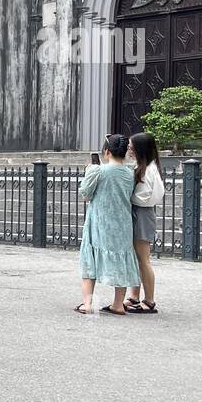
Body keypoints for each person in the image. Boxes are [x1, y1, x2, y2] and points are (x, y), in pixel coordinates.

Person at [76, 134, 142, 315]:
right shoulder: (130, 173)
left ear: (106, 152)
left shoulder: (98, 171)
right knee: (121, 258)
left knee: (91, 261)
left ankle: (87, 303)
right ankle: (118, 304)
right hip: (122, 223)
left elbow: (85, 195)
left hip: (100, 222)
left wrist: (89, 171)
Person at [126, 132, 165, 315]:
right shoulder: (145, 166)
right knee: (136, 259)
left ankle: (149, 300)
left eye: (132, 148)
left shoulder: (149, 170)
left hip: (142, 213)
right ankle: (134, 296)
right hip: (138, 212)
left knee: (143, 259)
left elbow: (144, 198)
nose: (129, 151)